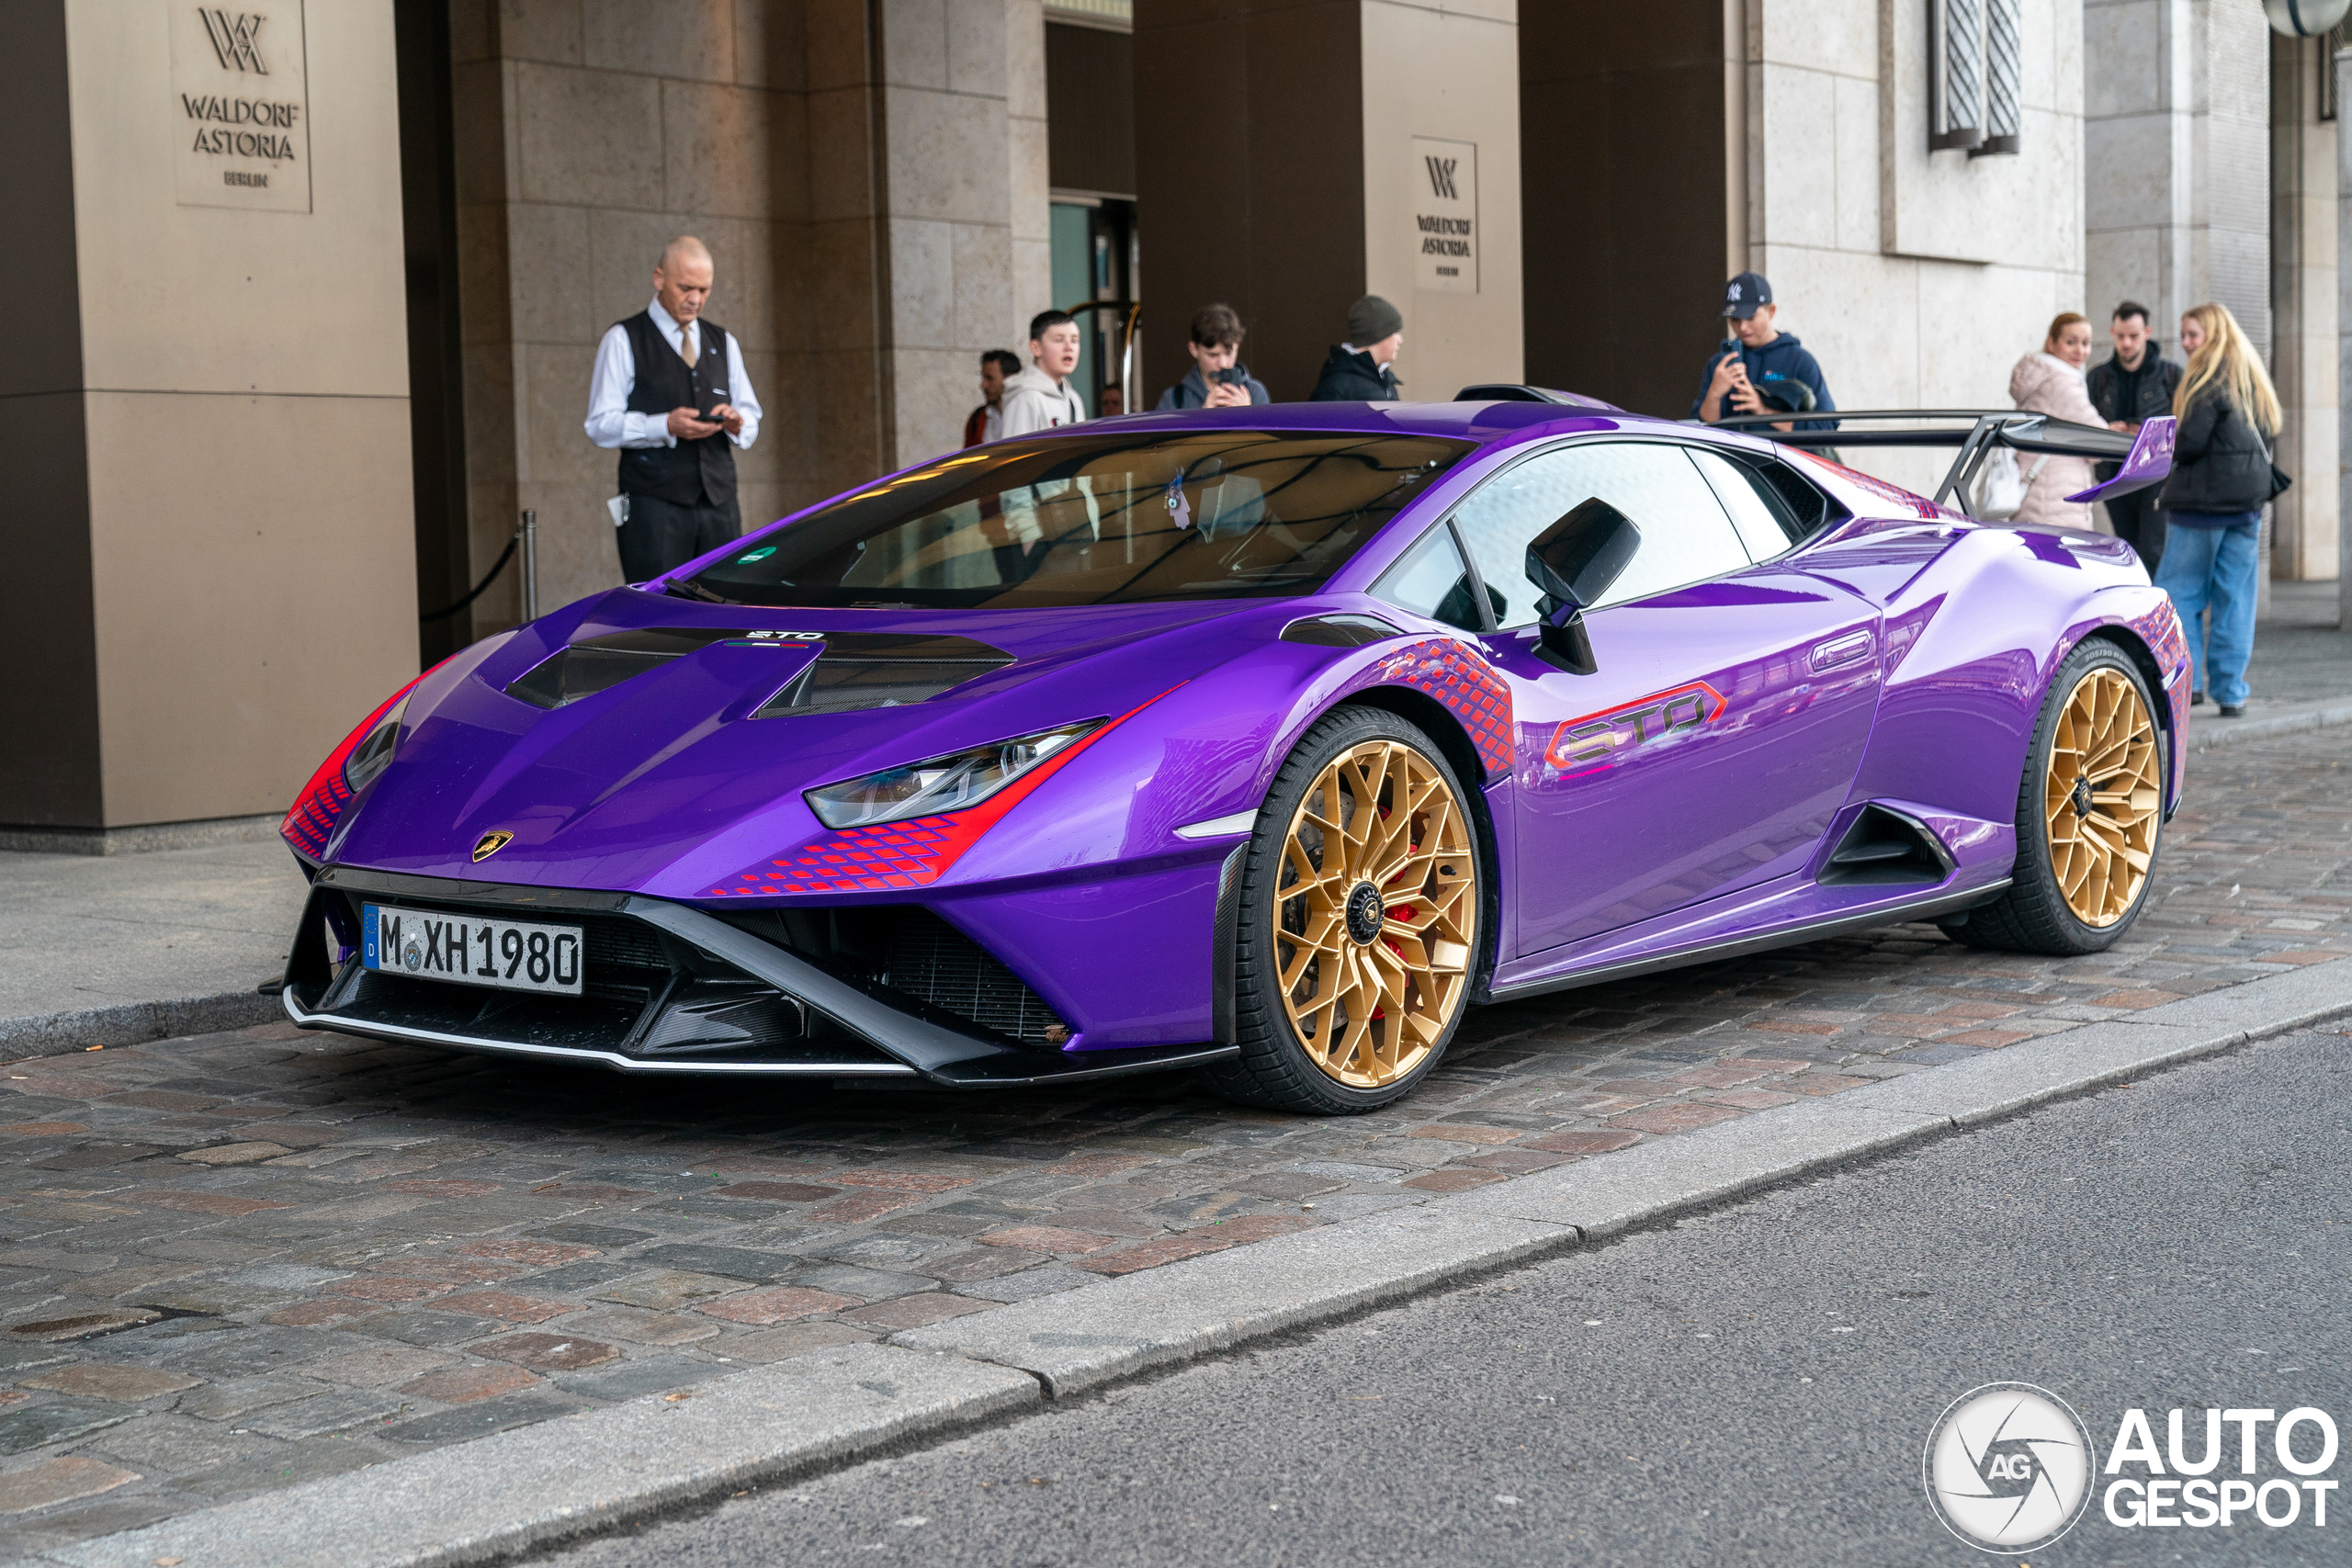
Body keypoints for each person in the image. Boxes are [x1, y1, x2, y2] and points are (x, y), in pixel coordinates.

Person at [584, 235, 763, 580]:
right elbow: (599, 425)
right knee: (657, 603)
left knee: (726, 599)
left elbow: (751, 414)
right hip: (653, 508)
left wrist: (737, 423)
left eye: (704, 290)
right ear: (659, 279)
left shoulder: (724, 341)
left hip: (719, 503)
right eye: (685, 288)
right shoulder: (623, 338)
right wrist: (664, 425)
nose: (695, 299)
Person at [2153, 302, 2280, 718]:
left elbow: (2189, 443)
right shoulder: (2251, 378)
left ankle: (2187, 684)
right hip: (2247, 508)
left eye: (2193, 335)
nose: (2186, 344)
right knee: (2236, 600)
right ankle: (2232, 691)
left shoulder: (2206, 380)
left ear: (2214, 335)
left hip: (2201, 508)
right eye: (2184, 336)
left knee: (2178, 592)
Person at [2085, 302, 2183, 571]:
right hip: (2114, 475)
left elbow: (2184, 427)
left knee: (2153, 549)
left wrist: (2147, 433)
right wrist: (2108, 430)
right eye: (2121, 336)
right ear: (2112, 333)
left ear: (2147, 332)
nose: (2126, 343)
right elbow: (2087, 424)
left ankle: (2150, 596)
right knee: (2125, 548)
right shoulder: (2098, 378)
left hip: (2155, 476)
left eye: (2134, 336)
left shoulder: (2170, 375)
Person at [1692, 272, 1836, 429]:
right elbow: (1700, 430)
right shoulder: (1719, 365)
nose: (1742, 327)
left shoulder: (1799, 360)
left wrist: (1763, 410)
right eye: (1735, 319)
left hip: (1777, 446)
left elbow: (1827, 425)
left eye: (1750, 317)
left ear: (1771, 311)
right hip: (1728, 446)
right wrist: (1714, 395)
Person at [2004, 312, 2103, 528]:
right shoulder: (2061, 383)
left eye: (2086, 343)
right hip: (2057, 497)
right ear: (2052, 343)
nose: (2080, 351)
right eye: (2071, 342)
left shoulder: (2039, 378)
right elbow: (2099, 444)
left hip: (2034, 490)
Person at [1157, 303, 1271, 409]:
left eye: (1228, 353)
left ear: (1238, 346)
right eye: (1213, 355)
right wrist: (1203, 417)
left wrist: (1248, 415)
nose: (1223, 364)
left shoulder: (1255, 392)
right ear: (1193, 349)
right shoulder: (1173, 399)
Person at [999, 310, 1087, 436]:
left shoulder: (1073, 398)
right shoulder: (1026, 397)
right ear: (1036, 348)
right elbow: (1016, 448)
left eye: (1074, 340)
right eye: (1059, 340)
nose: (1069, 347)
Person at [1308, 296, 1404, 401]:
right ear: (1378, 335)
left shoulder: (1386, 382)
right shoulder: (1334, 389)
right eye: (1396, 332)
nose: (1400, 341)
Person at [962, 349, 1022, 447]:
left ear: (1010, 379)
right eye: (983, 377)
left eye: (990, 378)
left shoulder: (1026, 413)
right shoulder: (977, 418)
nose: (983, 385)